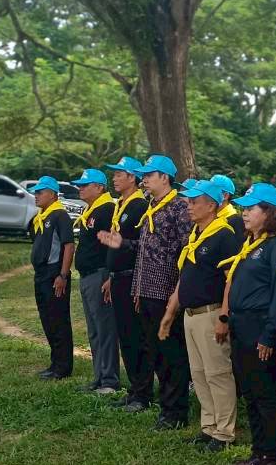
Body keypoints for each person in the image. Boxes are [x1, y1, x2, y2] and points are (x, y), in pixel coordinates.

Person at [100, 155, 192, 427]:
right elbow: (144, 247)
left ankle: (176, 413)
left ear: (164, 177)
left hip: (167, 293)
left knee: (172, 354)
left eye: (149, 175)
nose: (145, 180)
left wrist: (178, 292)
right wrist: (124, 243)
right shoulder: (153, 205)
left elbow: (187, 251)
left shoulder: (179, 207)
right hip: (147, 290)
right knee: (157, 353)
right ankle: (166, 407)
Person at [161, 178, 242, 443]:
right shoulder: (197, 234)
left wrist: (224, 316)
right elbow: (185, 277)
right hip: (191, 314)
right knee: (199, 373)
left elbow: (231, 280)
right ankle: (208, 426)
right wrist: (171, 313)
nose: (189, 206)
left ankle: (224, 431)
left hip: (211, 313)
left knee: (218, 373)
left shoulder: (224, 235)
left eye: (195, 202)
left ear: (212, 205)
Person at [221, 183, 276, 465]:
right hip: (242, 325)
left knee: (266, 394)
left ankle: (274, 458)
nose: (244, 213)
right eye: (244, 208)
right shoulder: (252, 244)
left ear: (270, 212)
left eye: (252, 208)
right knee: (251, 392)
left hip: (260, 326)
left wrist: (270, 334)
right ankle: (259, 453)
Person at [99, 157, 150, 409]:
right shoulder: (122, 204)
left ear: (132, 177)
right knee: (125, 336)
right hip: (118, 277)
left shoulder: (140, 205)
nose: (114, 178)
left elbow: (139, 247)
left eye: (119, 174)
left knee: (135, 336)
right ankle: (134, 389)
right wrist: (110, 275)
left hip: (132, 277)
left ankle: (143, 393)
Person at [71, 169, 120, 396]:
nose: (80, 188)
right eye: (79, 185)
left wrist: (109, 274)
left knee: (105, 329)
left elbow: (111, 244)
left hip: (99, 274)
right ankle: (99, 376)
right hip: (87, 275)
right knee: (94, 331)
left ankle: (109, 380)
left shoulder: (107, 209)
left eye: (85, 185)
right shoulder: (91, 209)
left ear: (99, 187)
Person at [27, 176, 75, 380]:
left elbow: (68, 245)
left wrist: (62, 275)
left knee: (58, 319)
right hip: (41, 274)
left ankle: (63, 366)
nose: (36, 195)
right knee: (47, 318)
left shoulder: (59, 215)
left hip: (54, 273)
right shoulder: (41, 216)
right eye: (35, 192)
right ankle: (55, 362)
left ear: (53, 194)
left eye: (40, 191)